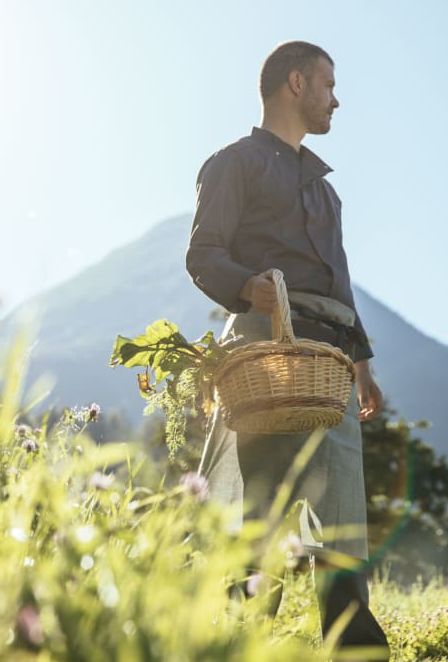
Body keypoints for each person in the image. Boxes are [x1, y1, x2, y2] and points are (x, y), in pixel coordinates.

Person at [186, 41, 390, 658]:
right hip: (268, 354)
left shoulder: (326, 192)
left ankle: (353, 642)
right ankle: (247, 640)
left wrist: (363, 364)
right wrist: (249, 287)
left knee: (342, 511)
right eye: (330, 84)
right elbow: (204, 254)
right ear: (295, 83)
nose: (337, 98)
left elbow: (341, 282)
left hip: (330, 367)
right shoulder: (235, 163)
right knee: (265, 508)